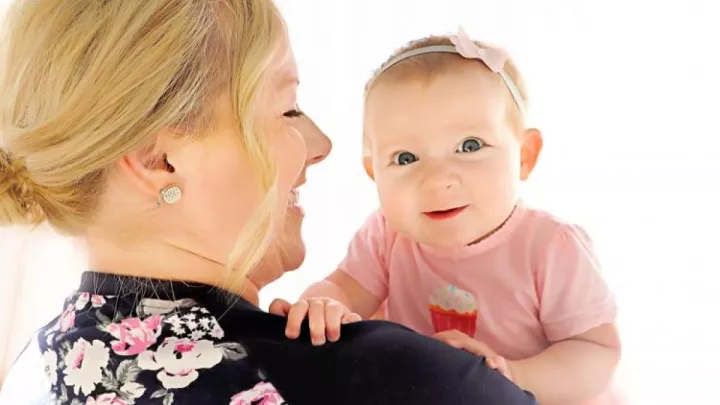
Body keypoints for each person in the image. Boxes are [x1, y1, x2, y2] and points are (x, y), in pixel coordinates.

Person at [0, 1, 537, 404]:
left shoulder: (38, 370)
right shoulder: (395, 381)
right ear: (160, 162)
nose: (322, 146)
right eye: (288, 110)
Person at [281, 28, 624, 405]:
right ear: (374, 173)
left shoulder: (550, 247)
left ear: (525, 156)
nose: (438, 180)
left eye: (469, 146)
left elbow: (595, 352)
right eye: (406, 158)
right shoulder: (387, 234)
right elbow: (346, 287)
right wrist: (323, 304)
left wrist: (512, 372)